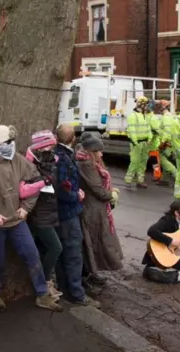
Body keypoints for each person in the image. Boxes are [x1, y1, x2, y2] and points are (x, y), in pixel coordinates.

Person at [0, 125, 63, 312]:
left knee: (32, 256)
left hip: (17, 221)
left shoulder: (18, 159)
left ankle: (41, 295)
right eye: (8, 142)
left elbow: (35, 182)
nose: (12, 145)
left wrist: (26, 208)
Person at [54, 125, 99, 306]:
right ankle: (76, 294)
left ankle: (66, 289)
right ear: (72, 138)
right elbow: (62, 188)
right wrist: (76, 195)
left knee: (63, 253)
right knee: (73, 253)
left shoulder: (58, 154)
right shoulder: (63, 158)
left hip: (60, 213)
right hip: (68, 213)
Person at [21, 130, 64, 300]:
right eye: (50, 146)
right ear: (42, 147)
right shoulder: (31, 165)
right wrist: (42, 183)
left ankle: (47, 282)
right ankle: (45, 281)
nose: (53, 150)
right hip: (39, 214)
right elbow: (23, 190)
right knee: (56, 247)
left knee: (44, 249)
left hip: (49, 211)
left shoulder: (49, 161)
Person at [76, 133, 123, 280]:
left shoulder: (88, 162)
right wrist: (112, 195)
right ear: (92, 151)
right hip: (92, 210)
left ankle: (92, 272)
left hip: (96, 208)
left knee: (96, 241)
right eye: (99, 151)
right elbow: (97, 189)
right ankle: (89, 273)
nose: (101, 154)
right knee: (94, 242)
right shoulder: (86, 165)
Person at [124, 96, 152, 188]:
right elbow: (132, 130)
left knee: (143, 162)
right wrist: (135, 142)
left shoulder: (145, 115)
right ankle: (128, 180)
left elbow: (148, 128)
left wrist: (149, 138)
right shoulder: (133, 116)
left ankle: (140, 180)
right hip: (137, 143)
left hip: (144, 143)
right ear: (142, 104)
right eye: (146, 105)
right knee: (135, 162)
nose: (148, 107)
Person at [149, 100, 177, 185]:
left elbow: (167, 132)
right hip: (168, 143)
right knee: (166, 160)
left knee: (163, 161)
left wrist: (162, 142)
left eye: (160, 106)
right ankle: (164, 180)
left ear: (163, 107)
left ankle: (179, 178)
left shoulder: (167, 117)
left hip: (166, 143)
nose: (158, 107)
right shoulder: (167, 116)